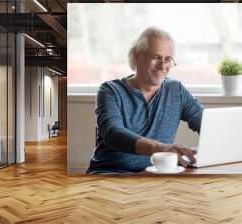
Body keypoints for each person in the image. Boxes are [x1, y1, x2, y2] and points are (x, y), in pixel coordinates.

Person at [87, 27, 203, 174]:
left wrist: (207, 148)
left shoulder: (176, 90)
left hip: (157, 174)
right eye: (156, 57)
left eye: (168, 59)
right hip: (112, 173)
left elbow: (205, 122)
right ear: (137, 57)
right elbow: (113, 134)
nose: (162, 66)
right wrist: (160, 148)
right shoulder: (110, 90)